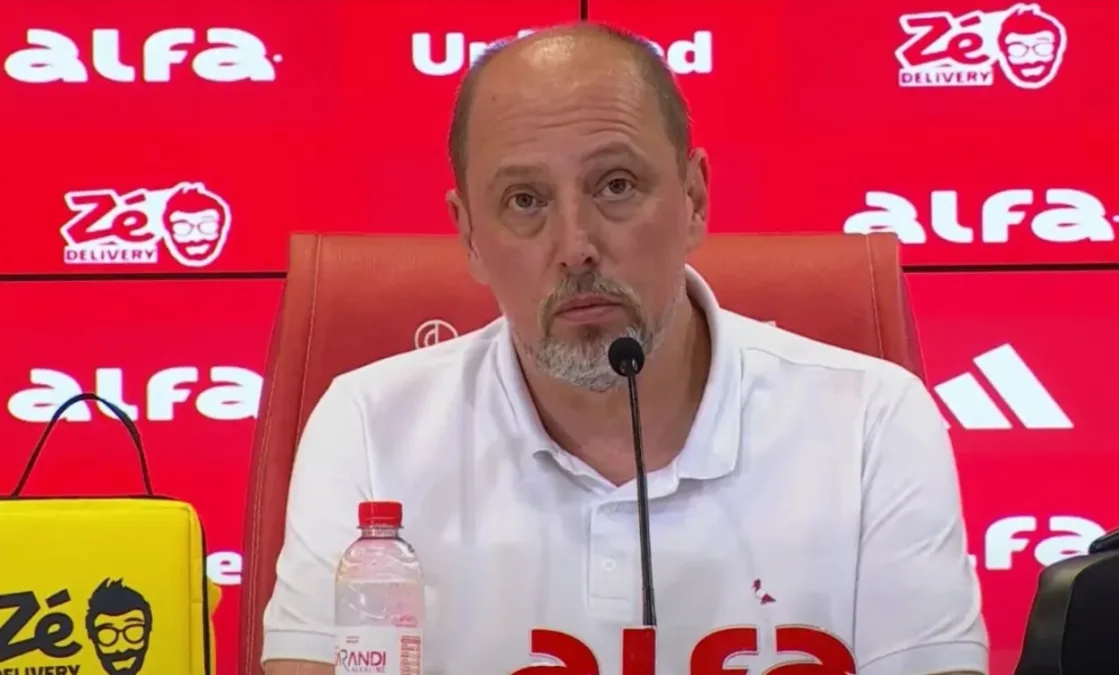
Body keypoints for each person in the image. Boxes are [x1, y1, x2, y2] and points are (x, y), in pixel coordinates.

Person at [261, 23, 988, 675]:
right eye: (524, 200)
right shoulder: (370, 425)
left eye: (615, 185)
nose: (575, 246)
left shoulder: (869, 421)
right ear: (470, 236)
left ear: (693, 198)